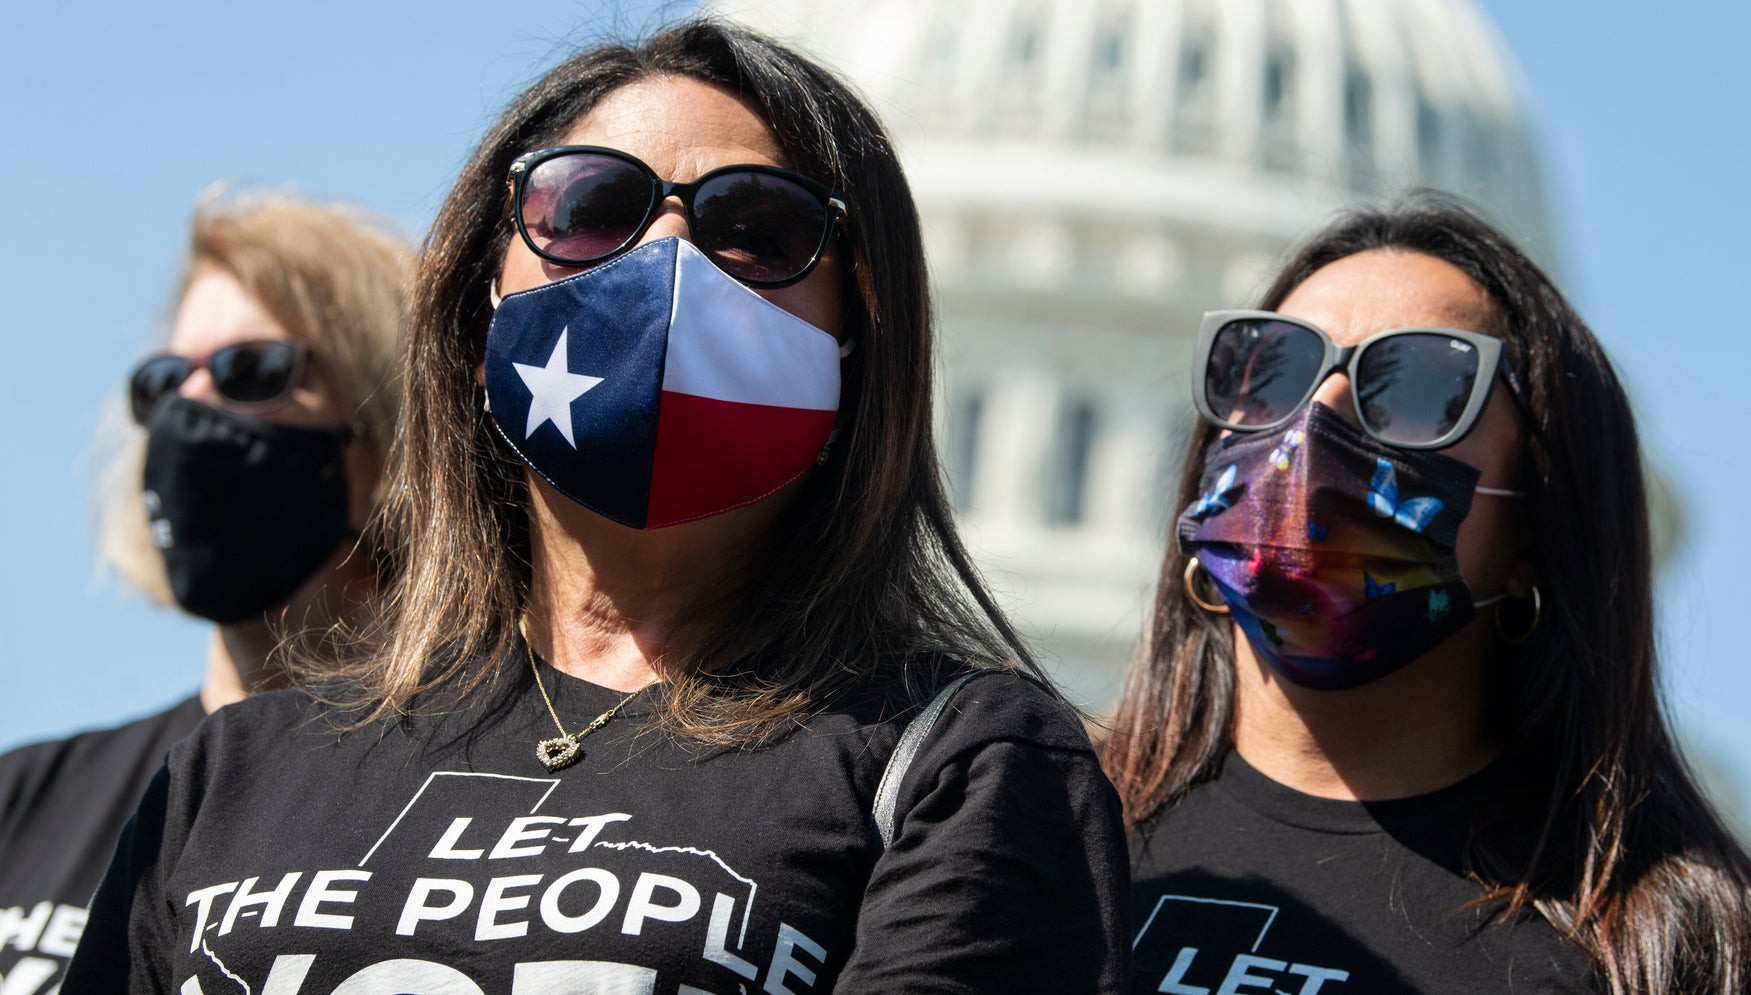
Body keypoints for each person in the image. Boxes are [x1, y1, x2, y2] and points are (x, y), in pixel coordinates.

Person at [65, 19, 1129, 994]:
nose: (666, 261)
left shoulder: (954, 762)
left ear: (858, 337)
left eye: (758, 227)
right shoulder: (234, 769)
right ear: (476, 321)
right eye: (585, 210)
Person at [1104, 197, 1751, 994]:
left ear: (1537, 531)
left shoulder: (1674, 952)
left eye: (1419, 385)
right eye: (1271, 368)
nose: (1316, 419)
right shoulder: (1039, 841)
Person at [0, 191, 409, 990]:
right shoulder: (23, 803)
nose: (189, 411)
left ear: (390, 428)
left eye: (250, 371)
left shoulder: (488, 802)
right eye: (163, 383)